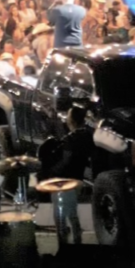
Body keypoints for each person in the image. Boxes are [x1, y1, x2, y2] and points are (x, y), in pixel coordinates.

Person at [43, 105, 95, 245]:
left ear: (72, 120)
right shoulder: (89, 136)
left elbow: (66, 160)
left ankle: (63, 241)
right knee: (72, 211)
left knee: (59, 211)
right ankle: (77, 240)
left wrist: (51, 171)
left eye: (68, 116)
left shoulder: (71, 139)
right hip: (79, 177)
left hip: (65, 179)